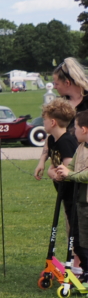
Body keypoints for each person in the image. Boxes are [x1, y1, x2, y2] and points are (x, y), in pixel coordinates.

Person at [37, 98, 80, 270]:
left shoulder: (66, 141)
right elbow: (48, 148)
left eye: (45, 120)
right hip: (63, 191)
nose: (43, 123)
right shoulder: (53, 139)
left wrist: (52, 172)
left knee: (75, 228)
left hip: (73, 193)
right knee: (71, 223)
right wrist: (42, 164)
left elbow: (68, 168)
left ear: (53, 122)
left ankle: (78, 265)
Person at [54, 110, 88, 270]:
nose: (73, 130)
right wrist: (61, 172)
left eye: (75, 126)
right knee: (80, 240)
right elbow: (70, 167)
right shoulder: (79, 147)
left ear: (84, 129)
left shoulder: (70, 142)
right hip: (80, 202)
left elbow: (76, 172)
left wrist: (70, 174)